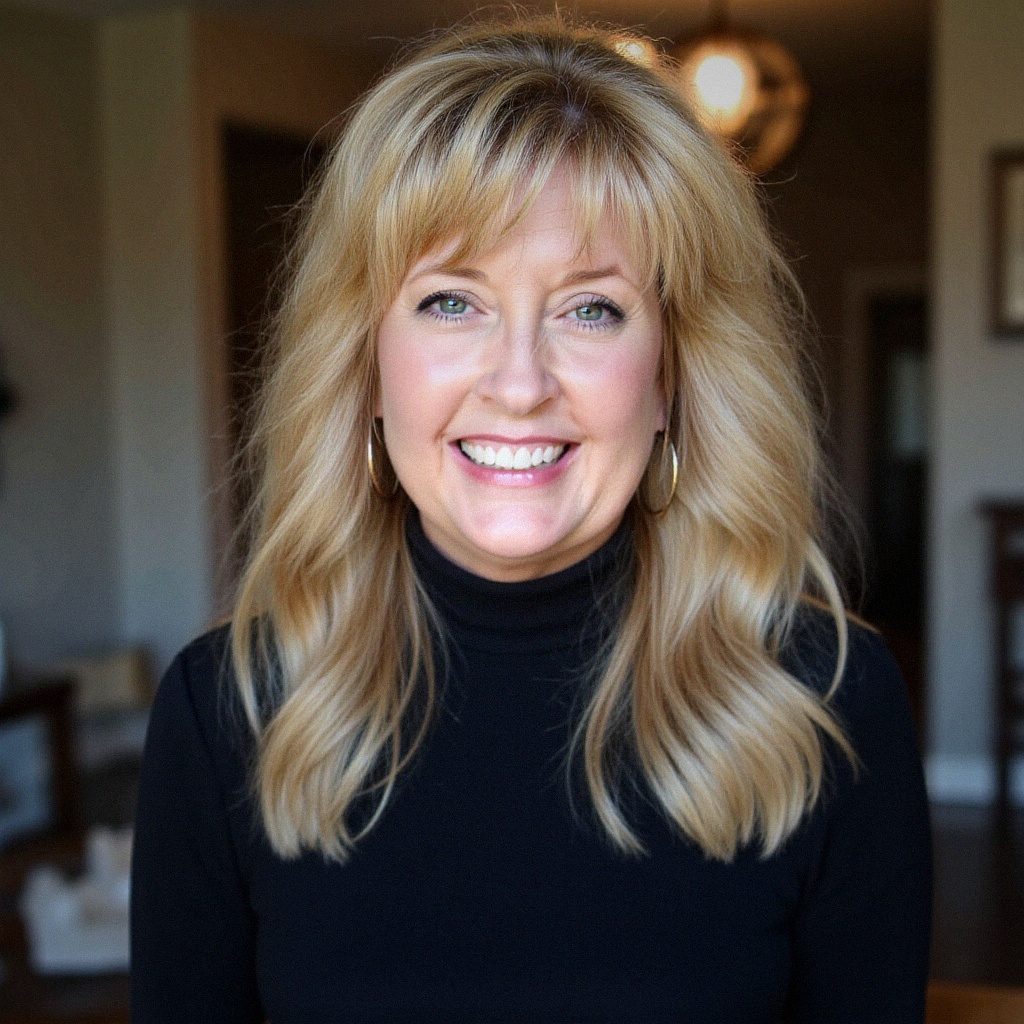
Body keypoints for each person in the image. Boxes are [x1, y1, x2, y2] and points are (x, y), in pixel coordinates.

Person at [129, 16, 932, 1023]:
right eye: (451, 302)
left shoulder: (828, 705)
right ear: (366, 365)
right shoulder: (224, 716)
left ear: (672, 376)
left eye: (590, 309)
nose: (518, 385)